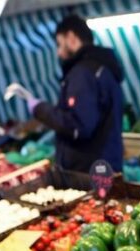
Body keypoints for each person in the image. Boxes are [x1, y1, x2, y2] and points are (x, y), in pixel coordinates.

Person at [28, 15, 124, 174]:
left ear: (71, 38)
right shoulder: (104, 68)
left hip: (87, 172)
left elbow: (78, 126)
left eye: (59, 44)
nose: (59, 53)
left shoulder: (83, 73)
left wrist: (40, 109)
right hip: (104, 166)